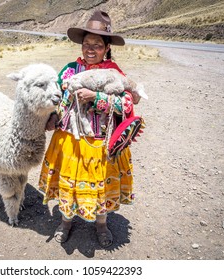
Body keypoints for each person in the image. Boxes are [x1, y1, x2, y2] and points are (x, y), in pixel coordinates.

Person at [38, 10, 139, 248]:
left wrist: (97, 97)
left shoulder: (113, 73)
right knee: (69, 185)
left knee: (100, 187)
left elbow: (127, 104)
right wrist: (51, 117)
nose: (90, 49)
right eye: (86, 44)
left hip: (101, 144)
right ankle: (65, 222)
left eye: (97, 44)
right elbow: (57, 98)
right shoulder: (70, 70)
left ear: (106, 48)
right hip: (69, 143)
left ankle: (101, 224)